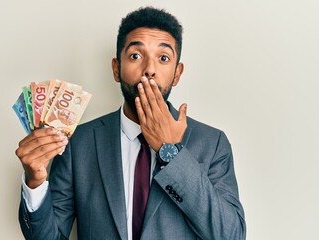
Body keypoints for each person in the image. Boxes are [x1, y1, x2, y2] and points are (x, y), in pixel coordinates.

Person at [15, 6, 246, 240]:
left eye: (163, 58)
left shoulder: (212, 143)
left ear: (177, 73)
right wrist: (35, 182)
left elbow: (231, 235)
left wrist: (171, 153)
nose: (149, 70)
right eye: (136, 56)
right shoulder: (80, 143)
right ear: (117, 69)